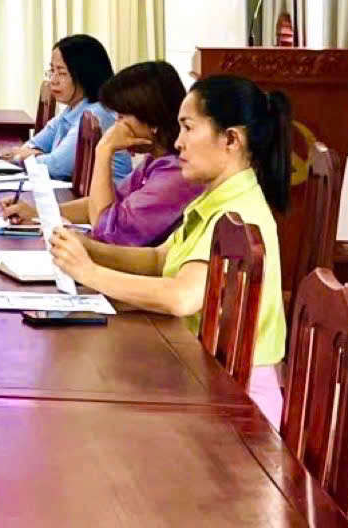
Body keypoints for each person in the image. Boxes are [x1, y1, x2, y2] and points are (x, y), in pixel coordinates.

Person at [49, 74, 290, 424]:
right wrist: (88, 249)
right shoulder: (216, 197)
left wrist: (90, 272)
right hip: (203, 377)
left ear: (231, 139)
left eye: (188, 128)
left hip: (238, 407)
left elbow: (181, 297)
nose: (178, 142)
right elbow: (159, 259)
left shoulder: (238, 213)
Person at [0, 60, 201, 246]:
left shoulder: (175, 174)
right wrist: (38, 213)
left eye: (122, 117)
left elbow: (106, 231)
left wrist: (104, 150)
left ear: (152, 120)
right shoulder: (154, 161)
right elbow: (106, 203)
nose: (116, 125)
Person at [0, 34, 130, 182]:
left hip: (111, 196)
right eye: (52, 70)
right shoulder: (72, 110)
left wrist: (27, 156)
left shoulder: (97, 113)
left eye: (61, 73)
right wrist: (32, 155)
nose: (53, 80)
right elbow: (32, 145)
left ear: (85, 75)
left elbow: (56, 167)